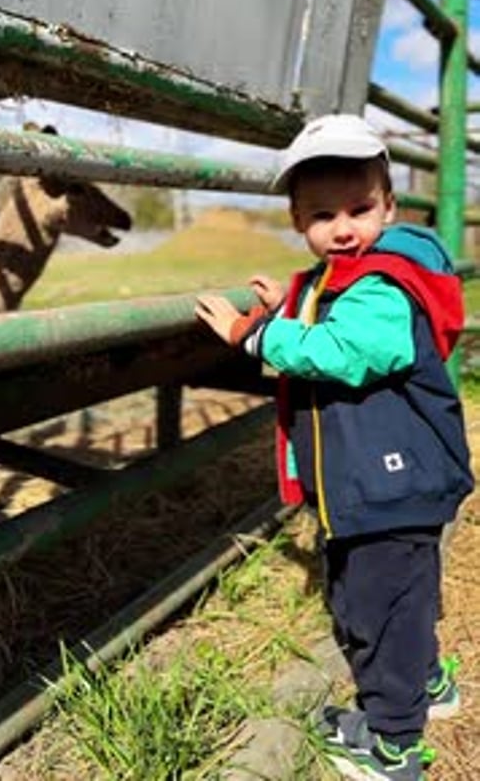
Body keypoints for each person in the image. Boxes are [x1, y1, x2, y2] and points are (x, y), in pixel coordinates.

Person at [195, 113, 473, 781]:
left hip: (389, 484)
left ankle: (393, 744)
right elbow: (331, 308)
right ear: (298, 221)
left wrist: (253, 335)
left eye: (359, 209)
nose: (342, 228)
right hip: (387, 484)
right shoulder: (349, 276)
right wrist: (290, 302)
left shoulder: (383, 283)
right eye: (322, 216)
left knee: (374, 609)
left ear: (389, 206)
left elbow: (349, 347)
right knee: (402, 597)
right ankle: (427, 686)